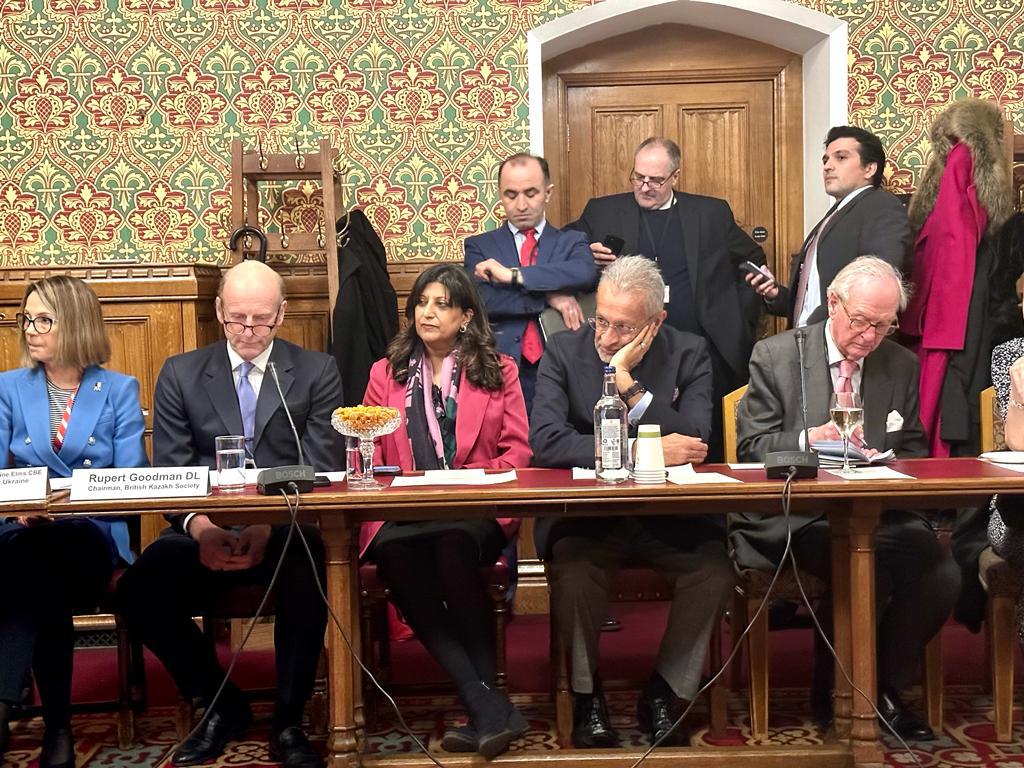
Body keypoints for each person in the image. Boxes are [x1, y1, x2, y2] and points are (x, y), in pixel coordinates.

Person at [117, 260, 343, 768]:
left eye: (261, 320)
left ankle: (289, 718)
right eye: (236, 318)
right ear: (218, 310)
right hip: (204, 532)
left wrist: (268, 524)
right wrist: (202, 529)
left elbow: (323, 464)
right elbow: (170, 475)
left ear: (281, 314)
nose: (247, 330)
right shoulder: (181, 373)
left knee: (310, 559)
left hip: (284, 531)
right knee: (139, 586)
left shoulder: (315, 372)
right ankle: (221, 704)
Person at [732, 256, 959, 741]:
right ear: (833, 304)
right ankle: (845, 692)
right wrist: (810, 439)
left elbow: (914, 448)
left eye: (884, 325)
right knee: (863, 566)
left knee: (940, 573)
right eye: (861, 321)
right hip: (798, 517)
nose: (871, 337)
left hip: (875, 511)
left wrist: (886, 458)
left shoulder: (899, 364)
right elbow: (751, 450)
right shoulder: (776, 356)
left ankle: (880, 687)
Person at [530, 256, 735, 748]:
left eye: (623, 327)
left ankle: (663, 692)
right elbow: (547, 442)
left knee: (714, 573)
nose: (605, 336)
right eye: (601, 319)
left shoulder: (690, 352)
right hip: (588, 518)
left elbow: (696, 437)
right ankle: (587, 696)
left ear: (655, 321)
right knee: (574, 575)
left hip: (671, 518)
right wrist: (642, 447)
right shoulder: (562, 352)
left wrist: (627, 383)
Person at [361, 263, 531, 759]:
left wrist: (466, 480)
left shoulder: (499, 371)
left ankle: (483, 708)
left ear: (466, 316)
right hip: (407, 510)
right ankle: (489, 706)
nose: (427, 312)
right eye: (421, 302)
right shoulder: (384, 373)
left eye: (441, 303)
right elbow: (369, 453)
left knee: (455, 549)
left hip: (472, 507)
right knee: (396, 559)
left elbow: (518, 453)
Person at [0, 276, 146, 768]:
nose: (31, 330)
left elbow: (131, 482)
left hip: (90, 536)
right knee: (33, 567)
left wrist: (60, 505)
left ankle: (5, 706)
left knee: (34, 561)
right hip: (19, 531)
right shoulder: (8, 388)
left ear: (77, 324)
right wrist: (23, 507)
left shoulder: (119, 390)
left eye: (44, 319)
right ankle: (58, 727)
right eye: (27, 319)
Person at [568, 136, 765, 461]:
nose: (645, 187)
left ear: (675, 176)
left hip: (701, 349)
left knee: (701, 439)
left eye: (656, 180)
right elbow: (563, 249)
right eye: (638, 177)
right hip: (626, 351)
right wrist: (584, 256)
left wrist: (737, 320)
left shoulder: (710, 212)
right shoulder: (602, 211)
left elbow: (751, 261)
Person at [464, 153, 597, 412]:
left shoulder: (571, 242)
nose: (521, 205)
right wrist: (548, 296)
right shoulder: (480, 246)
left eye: (531, 193)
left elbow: (584, 273)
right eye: (511, 195)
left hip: (563, 366)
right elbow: (483, 300)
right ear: (500, 195)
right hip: (499, 366)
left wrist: (512, 276)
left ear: (548, 193)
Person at [748, 126, 911, 327]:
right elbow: (810, 302)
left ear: (869, 168)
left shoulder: (882, 206)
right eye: (825, 160)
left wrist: (817, 330)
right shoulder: (832, 217)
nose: (827, 166)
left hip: (845, 344)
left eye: (841, 158)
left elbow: (876, 281)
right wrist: (776, 295)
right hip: (811, 343)